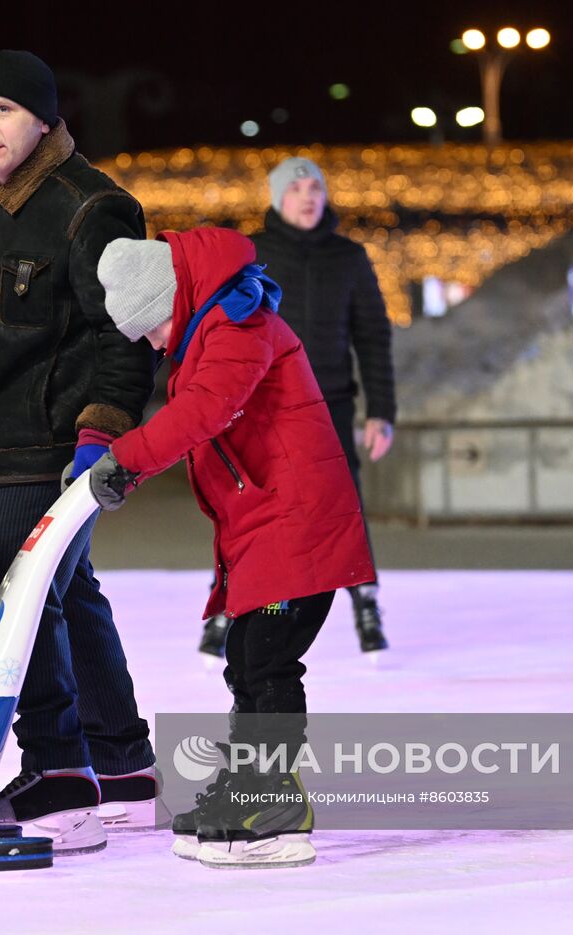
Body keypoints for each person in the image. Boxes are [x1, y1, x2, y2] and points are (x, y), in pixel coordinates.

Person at [0, 50, 158, 852]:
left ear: (43, 118)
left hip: (55, 444)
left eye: (3, 110)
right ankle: (122, 766)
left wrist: (101, 432)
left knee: (11, 588)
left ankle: (59, 778)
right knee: (67, 592)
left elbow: (126, 334)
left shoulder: (92, 207)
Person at [86, 226, 376, 869]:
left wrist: (126, 460)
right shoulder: (217, 326)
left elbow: (204, 411)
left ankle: (275, 804)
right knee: (248, 660)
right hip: (271, 526)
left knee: (264, 660)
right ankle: (250, 787)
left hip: (295, 526)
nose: (155, 345)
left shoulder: (237, 325)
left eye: (152, 329)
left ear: (173, 302)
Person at [220, 156, 396, 656]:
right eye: (296, 188)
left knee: (344, 506)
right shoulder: (251, 256)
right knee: (258, 510)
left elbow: (373, 336)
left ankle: (365, 600)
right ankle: (240, 604)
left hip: (332, 404)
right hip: (265, 407)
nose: (307, 196)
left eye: (315, 187)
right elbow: (228, 332)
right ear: (278, 197)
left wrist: (381, 411)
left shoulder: (349, 257)